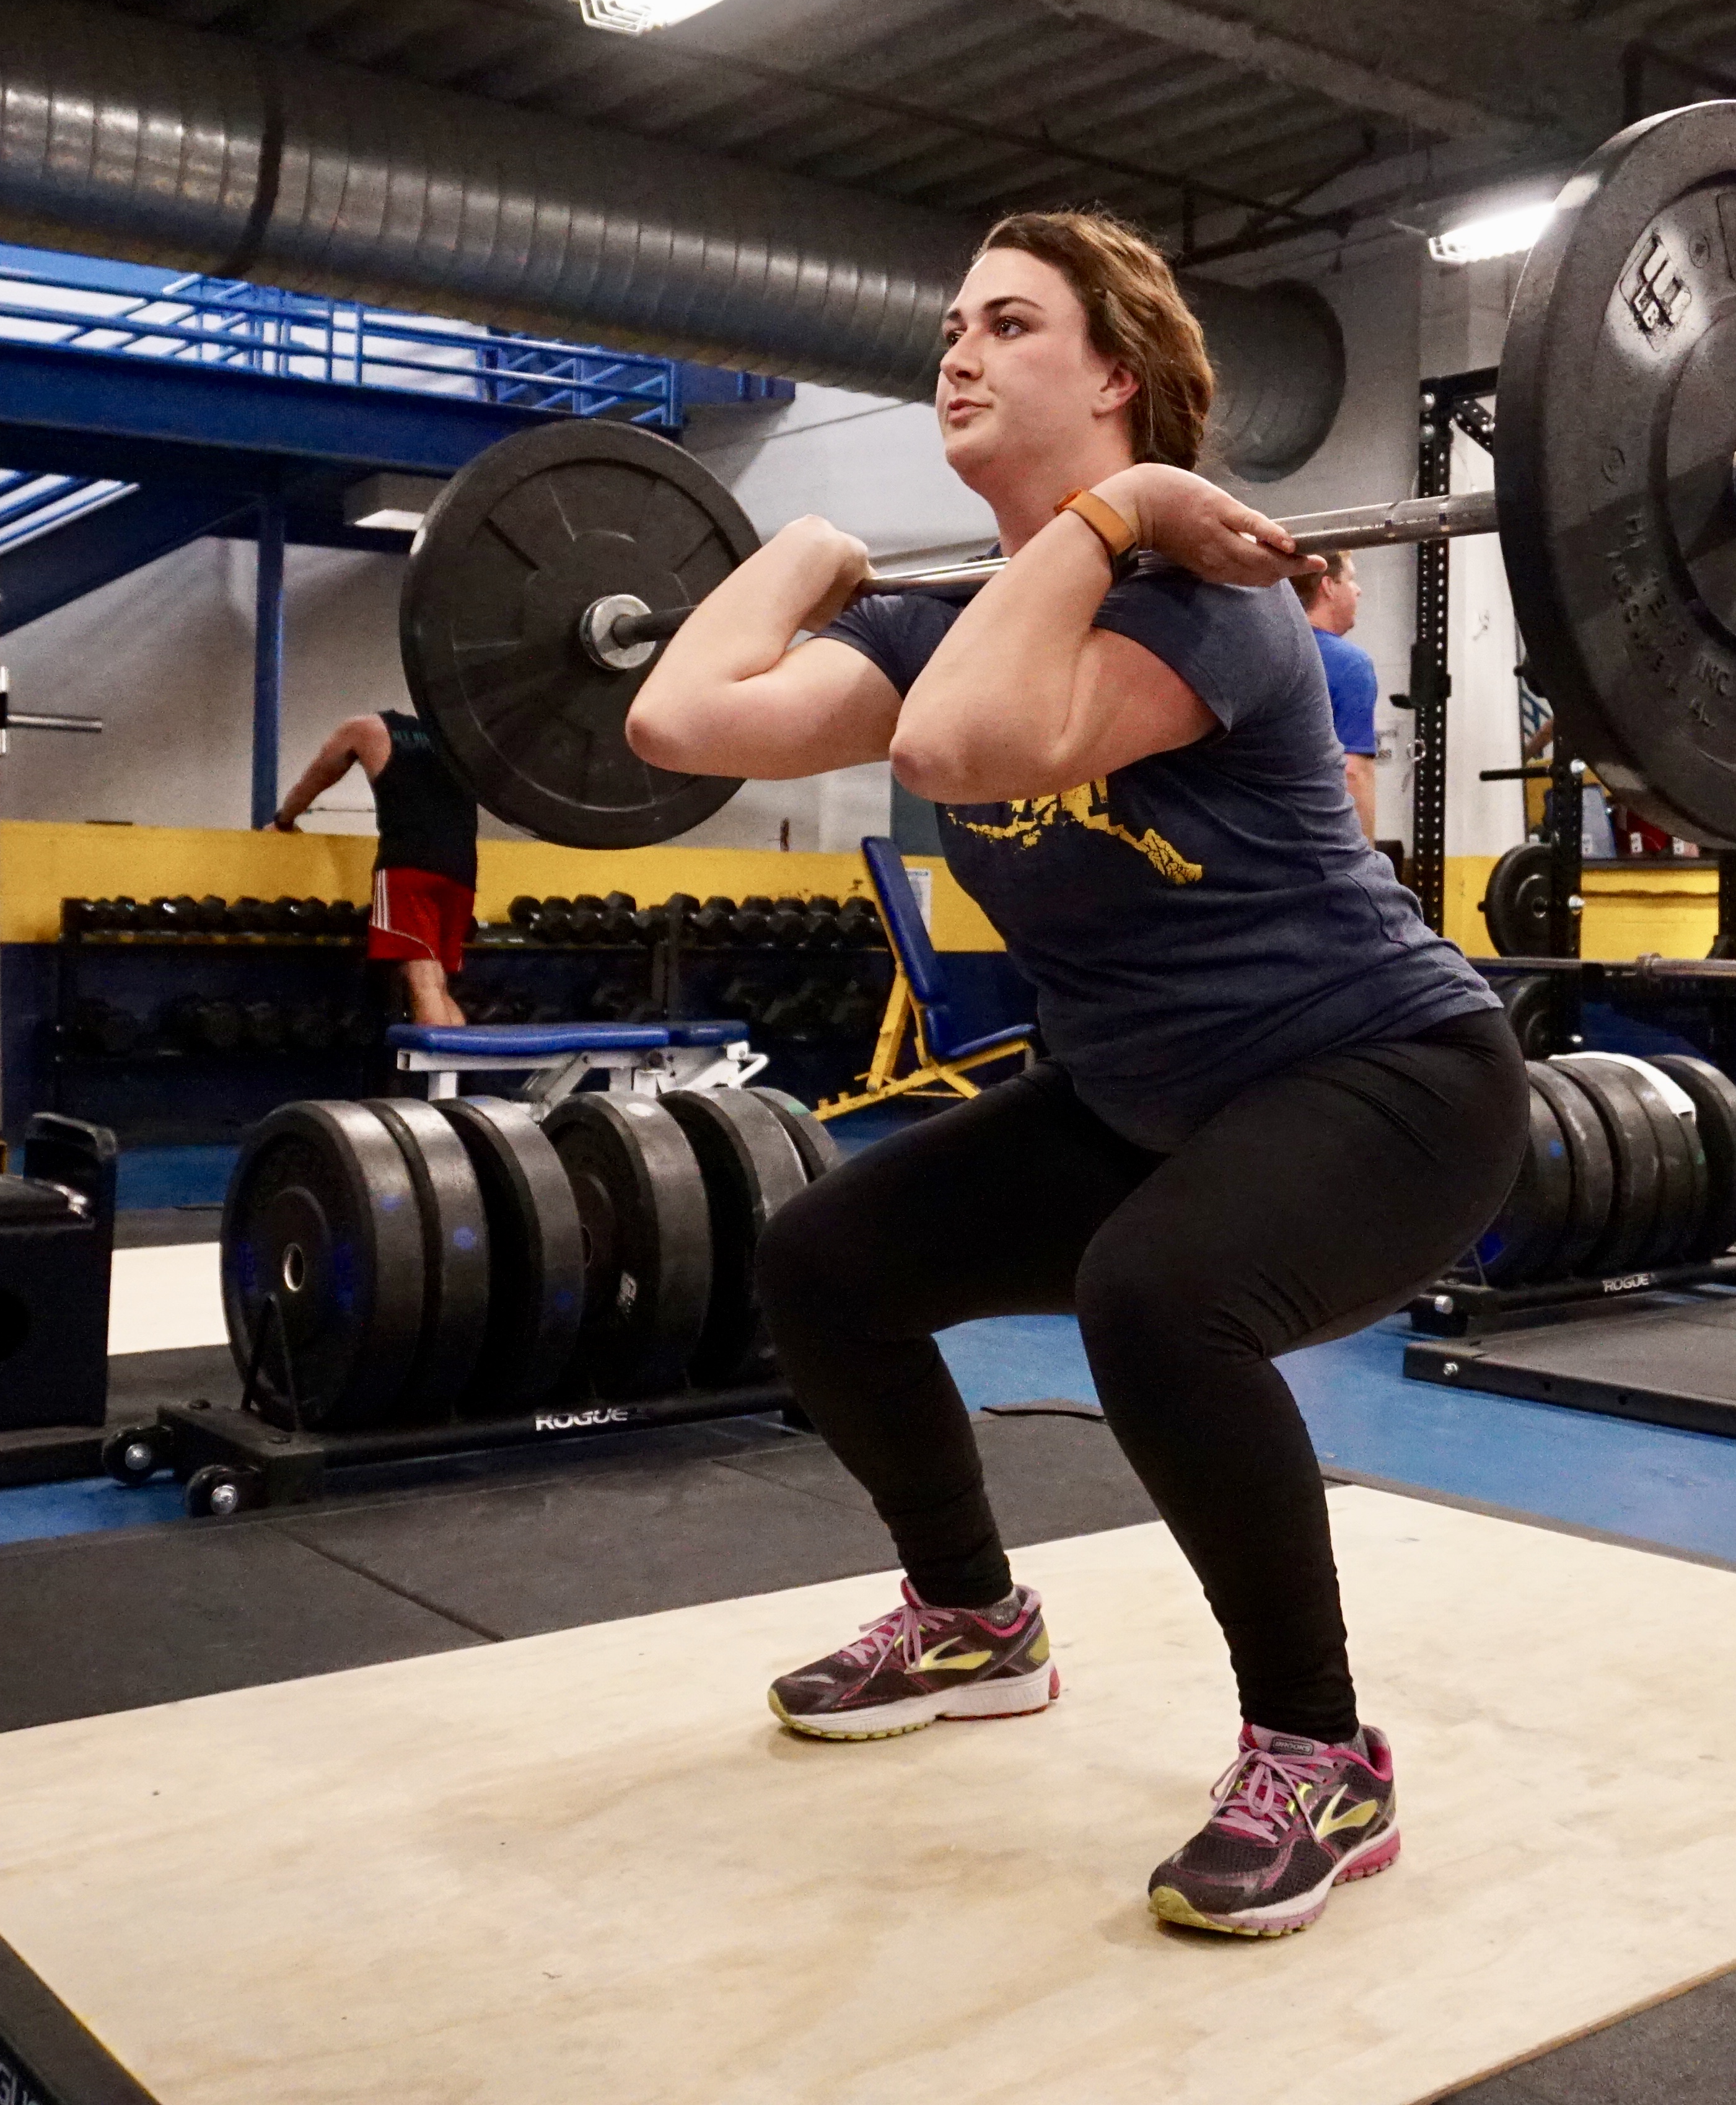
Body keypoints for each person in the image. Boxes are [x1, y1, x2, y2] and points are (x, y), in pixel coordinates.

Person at [626, 208, 1520, 1940]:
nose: (955, 352)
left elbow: (967, 748)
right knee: (827, 1262)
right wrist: (802, 550)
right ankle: (972, 1622)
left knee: (1159, 1299)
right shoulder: (946, 624)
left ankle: (1321, 1755)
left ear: (1115, 374)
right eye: (952, 324)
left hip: (1391, 1078)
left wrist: (1119, 519)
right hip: (1147, 1096)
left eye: (1008, 324)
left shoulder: (1217, 603)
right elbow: (676, 726)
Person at [272, 706, 479, 1027]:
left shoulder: (365, 728)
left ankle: (435, 1075)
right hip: (462, 870)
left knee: (422, 985)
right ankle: (453, 1076)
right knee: (437, 985)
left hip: (408, 865)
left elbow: (317, 776)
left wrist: (283, 820)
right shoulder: (454, 740)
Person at [1302, 552, 1379, 839]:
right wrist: (1366, 866)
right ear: (1328, 587)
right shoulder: (1350, 665)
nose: (1358, 589)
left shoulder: (1260, 653)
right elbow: (1353, 773)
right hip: (1317, 846)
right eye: (1350, 579)